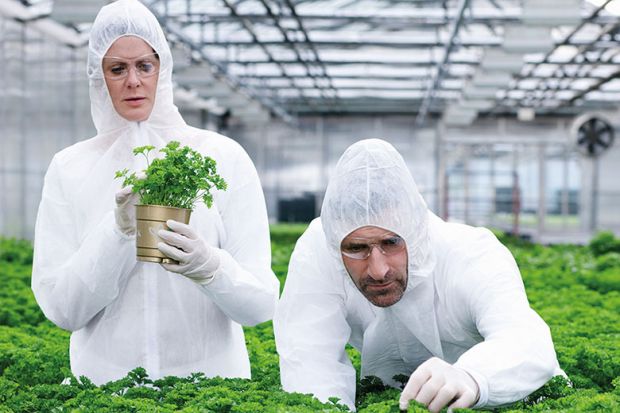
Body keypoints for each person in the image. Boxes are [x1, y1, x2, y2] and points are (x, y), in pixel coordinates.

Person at [31, 0, 278, 385]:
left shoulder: (223, 156)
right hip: (108, 393)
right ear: (99, 76)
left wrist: (210, 266)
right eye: (117, 68)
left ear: (162, 69)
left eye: (144, 65)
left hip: (210, 388)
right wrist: (116, 235)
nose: (133, 81)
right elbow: (63, 310)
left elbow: (260, 305)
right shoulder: (70, 168)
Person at [273, 139, 563, 412]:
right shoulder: (320, 249)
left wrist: (473, 377)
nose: (378, 270)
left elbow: (524, 339)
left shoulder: (470, 253)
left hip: (498, 397)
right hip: (388, 394)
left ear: (414, 231)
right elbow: (310, 357)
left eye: (391, 243)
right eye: (356, 248)